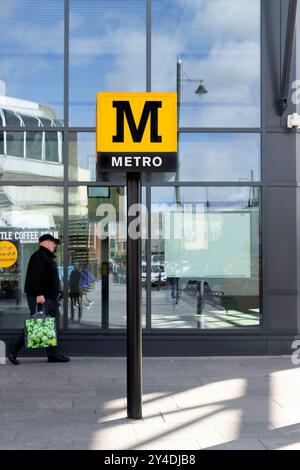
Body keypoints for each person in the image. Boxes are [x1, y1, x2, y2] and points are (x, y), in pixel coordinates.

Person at [8, 234, 70, 365]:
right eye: (53, 242)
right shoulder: (38, 256)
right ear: (45, 242)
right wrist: (39, 294)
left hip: (50, 298)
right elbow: (34, 278)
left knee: (51, 326)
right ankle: (13, 350)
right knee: (36, 324)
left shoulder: (46, 257)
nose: (55, 245)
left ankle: (53, 355)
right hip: (42, 298)